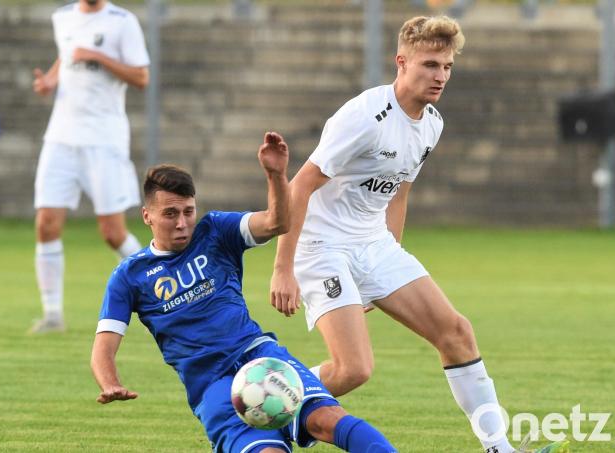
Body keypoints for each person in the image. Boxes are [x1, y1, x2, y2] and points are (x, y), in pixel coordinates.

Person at [269, 16, 569, 453]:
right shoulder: (364, 116)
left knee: (457, 332)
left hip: (374, 246)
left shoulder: (432, 123)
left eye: (447, 66)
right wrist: (283, 269)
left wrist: (385, 271)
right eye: (430, 64)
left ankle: (498, 449)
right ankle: (270, 401)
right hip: (321, 248)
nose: (440, 76)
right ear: (401, 62)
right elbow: (300, 186)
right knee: (353, 369)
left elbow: (397, 194)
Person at [90, 132, 397, 453]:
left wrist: (276, 176)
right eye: (170, 214)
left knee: (326, 418)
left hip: (260, 356)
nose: (182, 223)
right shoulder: (129, 276)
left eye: (188, 211)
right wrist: (109, 382)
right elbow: (104, 347)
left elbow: (278, 222)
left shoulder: (215, 231)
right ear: (147, 216)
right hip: (212, 385)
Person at [30, 0, 150, 333]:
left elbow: (141, 76)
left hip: (103, 138)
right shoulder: (63, 18)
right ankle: (53, 314)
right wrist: (51, 81)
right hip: (61, 137)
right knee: (46, 224)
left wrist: (98, 56)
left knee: (112, 233)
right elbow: (67, 55)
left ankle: (159, 290)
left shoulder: (122, 21)